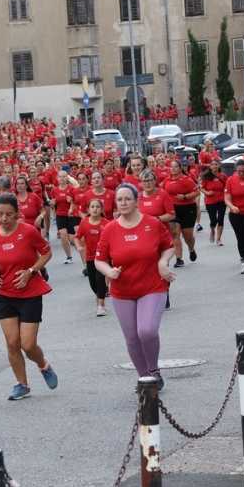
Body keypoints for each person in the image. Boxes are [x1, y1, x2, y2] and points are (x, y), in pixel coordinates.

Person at [95, 183, 176, 391]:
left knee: (146, 331)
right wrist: (108, 271)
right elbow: (100, 259)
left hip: (152, 286)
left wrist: (162, 262)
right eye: (119, 200)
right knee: (132, 338)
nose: (123, 203)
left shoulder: (153, 223)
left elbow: (168, 247)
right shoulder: (110, 229)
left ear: (137, 201)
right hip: (123, 291)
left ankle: (153, 369)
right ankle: (145, 379)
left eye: (127, 199)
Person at [0, 193, 57, 401]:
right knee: (12, 343)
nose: (4, 218)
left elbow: (46, 253)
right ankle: (22, 385)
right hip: (6, 294)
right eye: (0, 214)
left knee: (28, 345)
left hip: (30, 293)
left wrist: (31, 271)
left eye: (9, 214)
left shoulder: (28, 232)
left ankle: (43, 365)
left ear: (17, 214)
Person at [138, 170, 177, 310]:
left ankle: (164, 293)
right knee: (148, 267)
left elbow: (171, 215)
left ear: (155, 181)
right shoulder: (138, 197)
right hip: (143, 237)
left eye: (149, 180)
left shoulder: (162, 194)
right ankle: (150, 295)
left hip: (161, 235)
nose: (147, 183)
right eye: (144, 181)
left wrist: (156, 219)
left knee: (162, 265)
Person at [75, 198, 110, 316]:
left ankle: (101, 306)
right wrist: (79, 246)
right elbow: (76, 237)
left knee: (100, 279)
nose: (95, 209)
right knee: (93, 283)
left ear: (101, 209)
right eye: (92, 207)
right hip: (90, 256)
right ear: (88, 209)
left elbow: (113, 239)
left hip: (103, 256)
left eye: (97, 207)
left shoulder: (106, 223)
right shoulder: (84, 222)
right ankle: (99, 296)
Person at [161, 159, 199, 267]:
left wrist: (185, 197)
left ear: (180, 168)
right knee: (174, 235)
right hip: (172, 211)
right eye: (171, 167)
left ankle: (191, 249)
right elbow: (163, 193)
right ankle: (179, 259)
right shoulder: (166, 180)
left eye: (175, 166)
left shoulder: (186, 179)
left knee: (188, 237)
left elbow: (197, 191)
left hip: (187, 209)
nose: (173, 168)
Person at [49, 170, 76, 264]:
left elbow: (76, 202)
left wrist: (71, 201)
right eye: (60, 176)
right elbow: (53, 203)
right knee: (63, 236)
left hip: (70, 215)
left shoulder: (72, 189)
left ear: (67, 177)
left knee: (71, 239)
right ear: (57, 178)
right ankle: (69, 256)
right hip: (60, 215)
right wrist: (52, 202)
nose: (62, 178)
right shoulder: (55, 190)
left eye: (64, 176)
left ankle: (76, 244)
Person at [200, 160, 228, 246]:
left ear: (219, 166)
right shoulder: (207, 177)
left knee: (220, 219)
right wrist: (207, 193)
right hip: (210, 201)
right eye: (212, 164)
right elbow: (202, 188)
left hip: (221, 200)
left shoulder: (223, 176)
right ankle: (212, 231)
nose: (214, 166)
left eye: (216, 164)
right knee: (213, 221)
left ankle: (219, 238)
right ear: (210, 166)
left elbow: (228, 186)